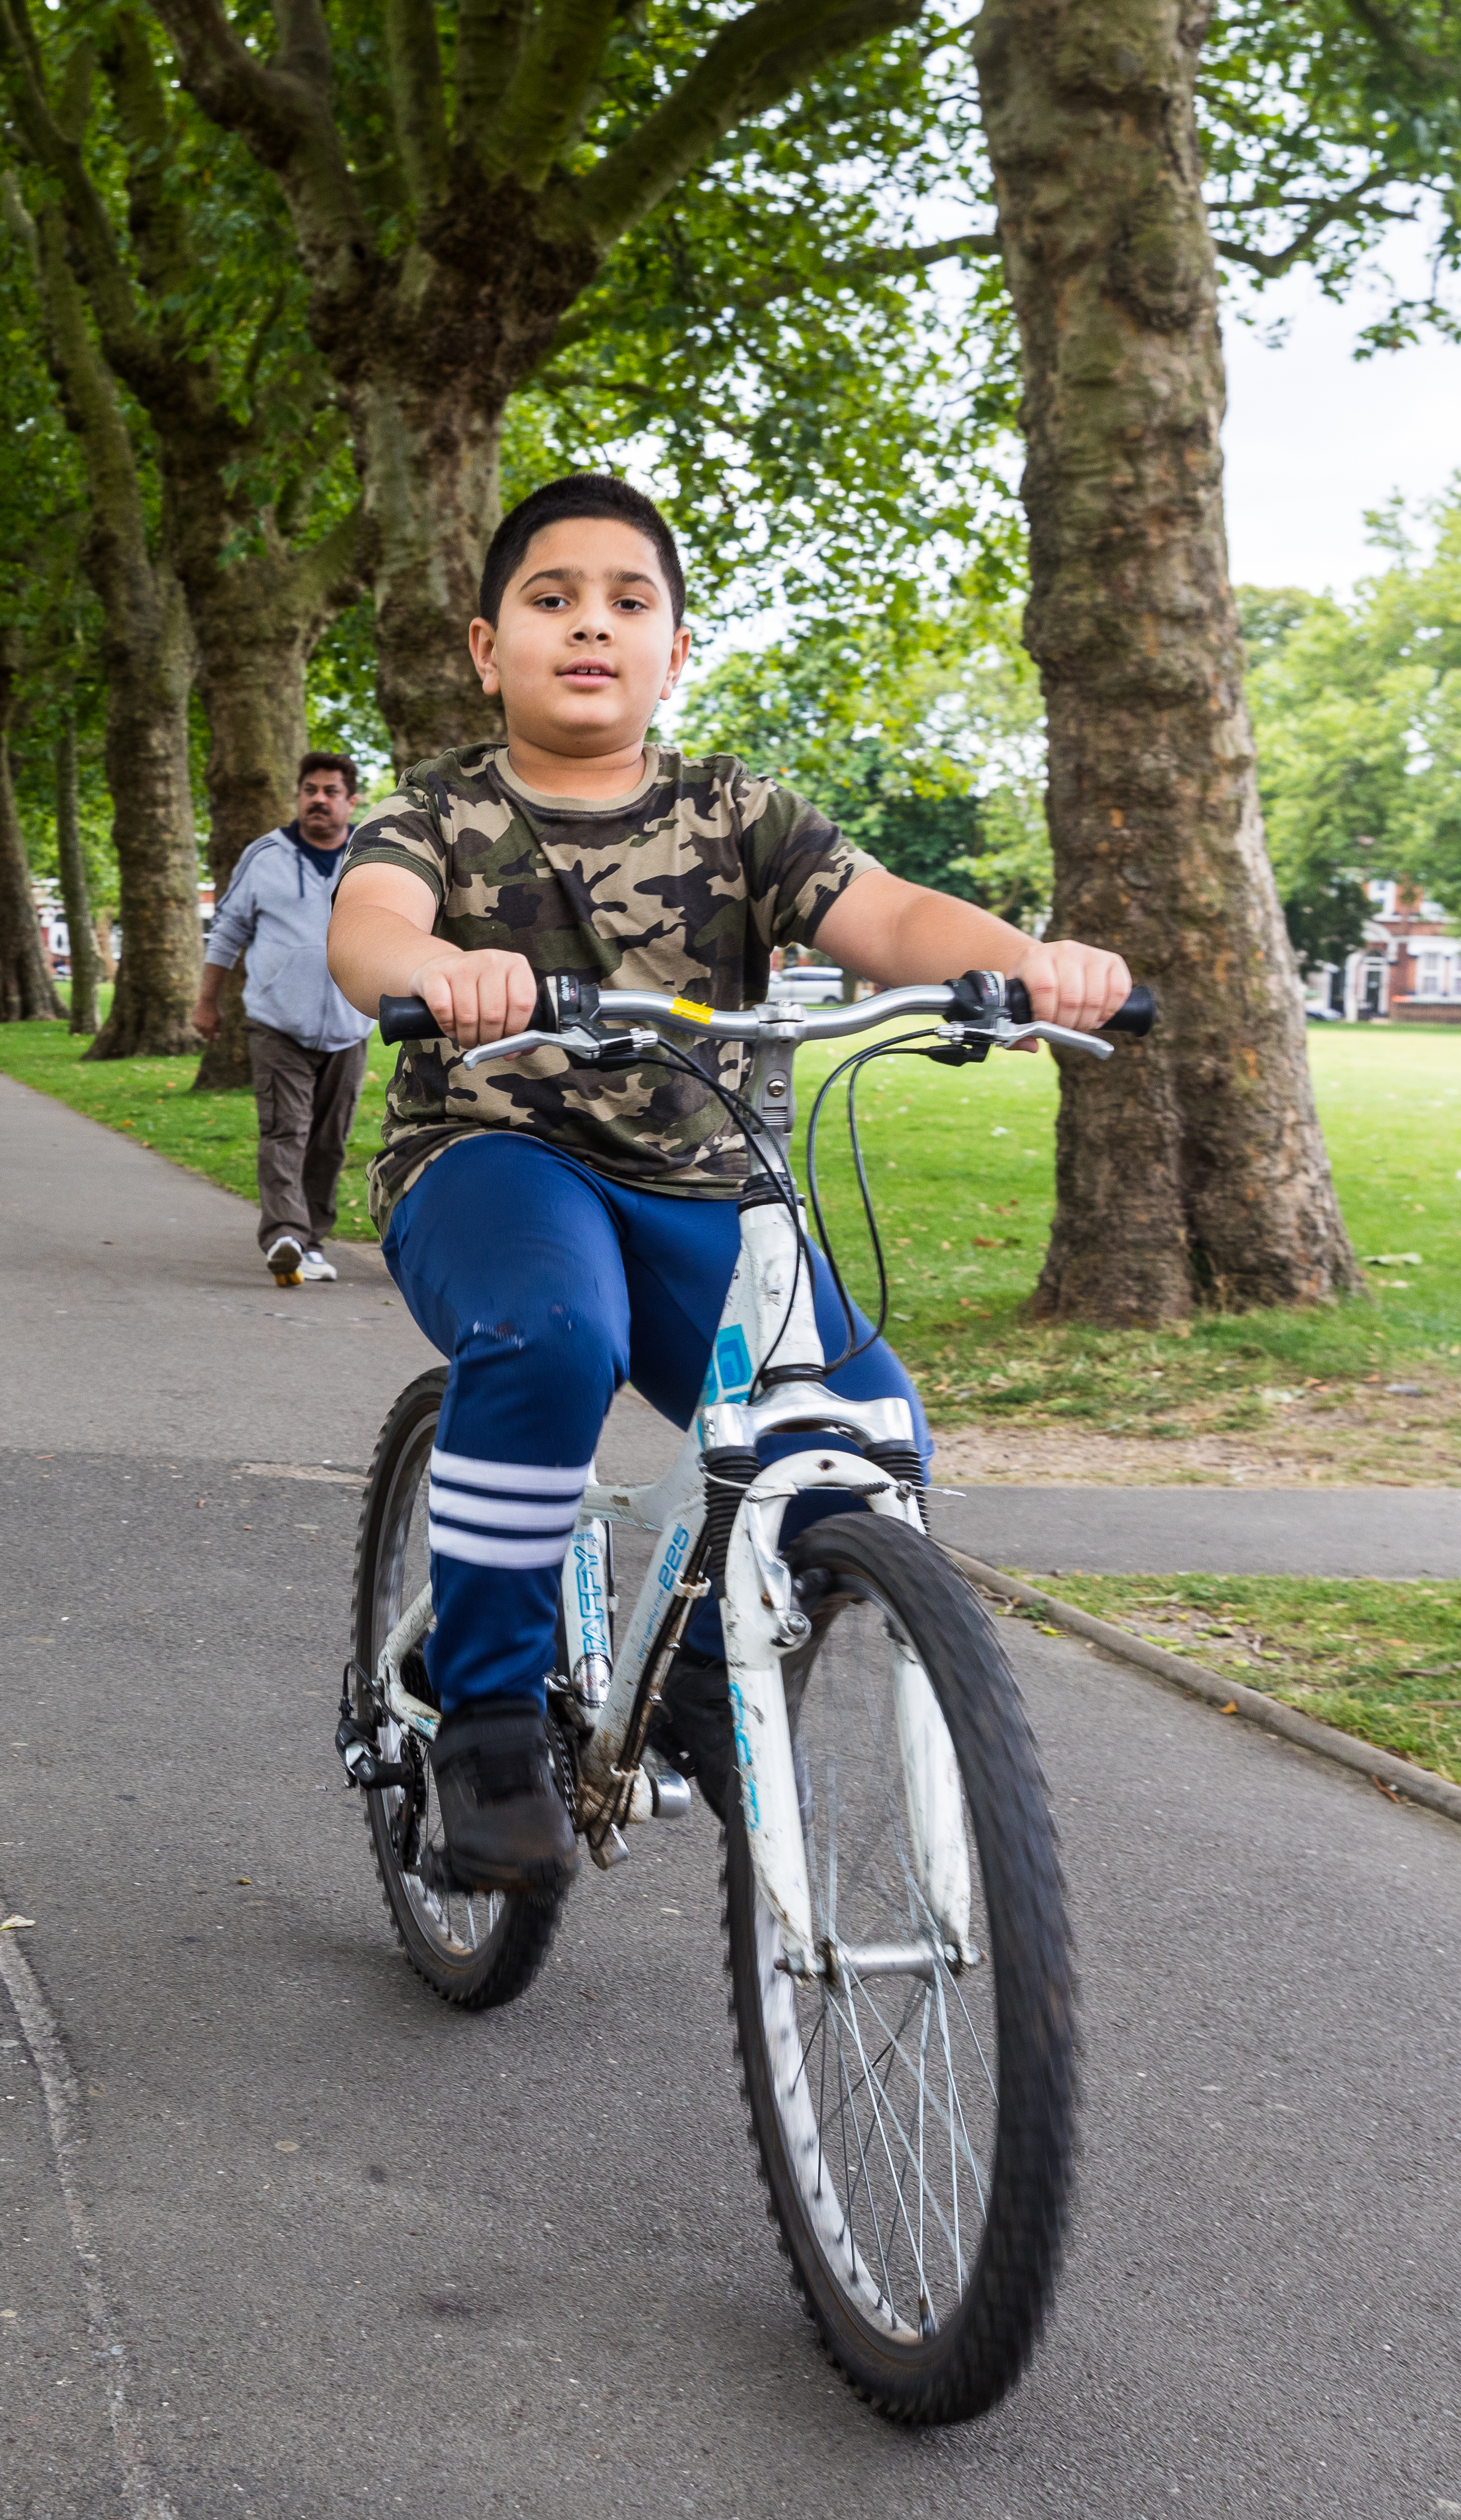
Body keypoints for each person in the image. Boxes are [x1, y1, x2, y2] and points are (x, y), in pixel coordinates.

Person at [324, 476, 1132, 1896]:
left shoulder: (737, 813)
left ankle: (699, 1676)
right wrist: (438, 972)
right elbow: (368, 927)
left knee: (865, 1440)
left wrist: (1022, 959)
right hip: (490, 1161)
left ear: (676, 651)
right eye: (553, 598)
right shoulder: (439, 812)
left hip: (703, 1184)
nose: (592, 626)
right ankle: (493, 1713)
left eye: (631, 603)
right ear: (483, 646)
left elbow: (888, 916)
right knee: (553, 1342)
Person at [196, 752, 372, 1285]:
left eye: (331, 791)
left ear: (351, 801)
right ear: (298, 796)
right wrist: (208, 1001)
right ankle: (285, 1237)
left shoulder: (374, 855)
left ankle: (312, 1241)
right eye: (310, 790)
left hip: (351, 1025)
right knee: (285, 1131)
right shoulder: (266, 856)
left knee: (329, 1140)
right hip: (278, 1023)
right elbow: (228, 930)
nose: (319, 800)